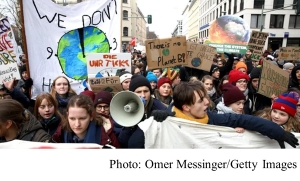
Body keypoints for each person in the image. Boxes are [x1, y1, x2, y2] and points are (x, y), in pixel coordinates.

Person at [128, 81, 299, 148]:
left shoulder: (211, 117)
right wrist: (149, 122)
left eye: (205, 98)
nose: (206, 103)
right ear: (186, 107)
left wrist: (278, 132)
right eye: (200, 100)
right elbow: (131, 145)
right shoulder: (165, 121)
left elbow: (242, 119)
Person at [117, 74, 166, 148]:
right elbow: (123, 142)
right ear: (133, 94)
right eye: (139, 92)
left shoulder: (159, 108)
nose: (143, 95)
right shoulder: (128, 108)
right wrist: (129, 125)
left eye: (146, 91)